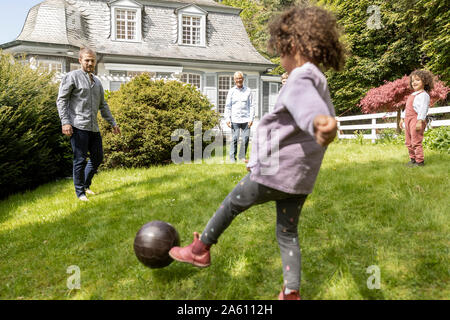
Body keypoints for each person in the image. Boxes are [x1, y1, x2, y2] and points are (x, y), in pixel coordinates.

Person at [169, 6, 345, 300]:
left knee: (230, 205)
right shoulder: (319, 79)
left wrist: (317, 121)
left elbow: (306, 108)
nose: (280, 60)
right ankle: (291, 292)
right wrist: (320, 125)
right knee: (287, 233)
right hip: (300, 180)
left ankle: (200, 250)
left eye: (281, 52)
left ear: (296, 47)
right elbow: (303, 116)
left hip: (274, 173)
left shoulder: (301, 77)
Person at [56, 48, 121, 201]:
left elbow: (103, 105)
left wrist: (113, 123)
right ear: (80, 60)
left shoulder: (97, 81)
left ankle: (85, 185)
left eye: (92, 60)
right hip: (78, 126)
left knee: (98, 157)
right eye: (87, 60)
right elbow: (62, 100)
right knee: (79, 159)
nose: (90, 63)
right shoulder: (72, 77)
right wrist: (65, 122)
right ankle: (80, 193)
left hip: (93, 127)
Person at [400, 70, 433, 167]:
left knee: (416, 141)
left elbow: (423, 109)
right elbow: (407, 109)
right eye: (413, 80)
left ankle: (419, 161)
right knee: (408, 141)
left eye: (417, 80)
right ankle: (412, 159)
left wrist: (420, 121)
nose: (414, 82)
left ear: (425, 81)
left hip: (416, 119)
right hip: (408, 120)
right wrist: (402, 119)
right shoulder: (412, 95)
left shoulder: (423, 95)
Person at [224, 71, 255, 162]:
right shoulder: (231, 91)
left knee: (245, 139)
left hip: (246, 119)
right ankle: (232, 159)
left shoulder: (248, 91)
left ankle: (242, 157)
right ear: (234, 80)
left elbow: (252, 105)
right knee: (234, 139)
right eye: (237, 78)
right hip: (235, 119)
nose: (239, 80)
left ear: (243, 79)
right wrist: (227, 119)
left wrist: (251, 119)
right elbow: (228, 106)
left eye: (240, 78)